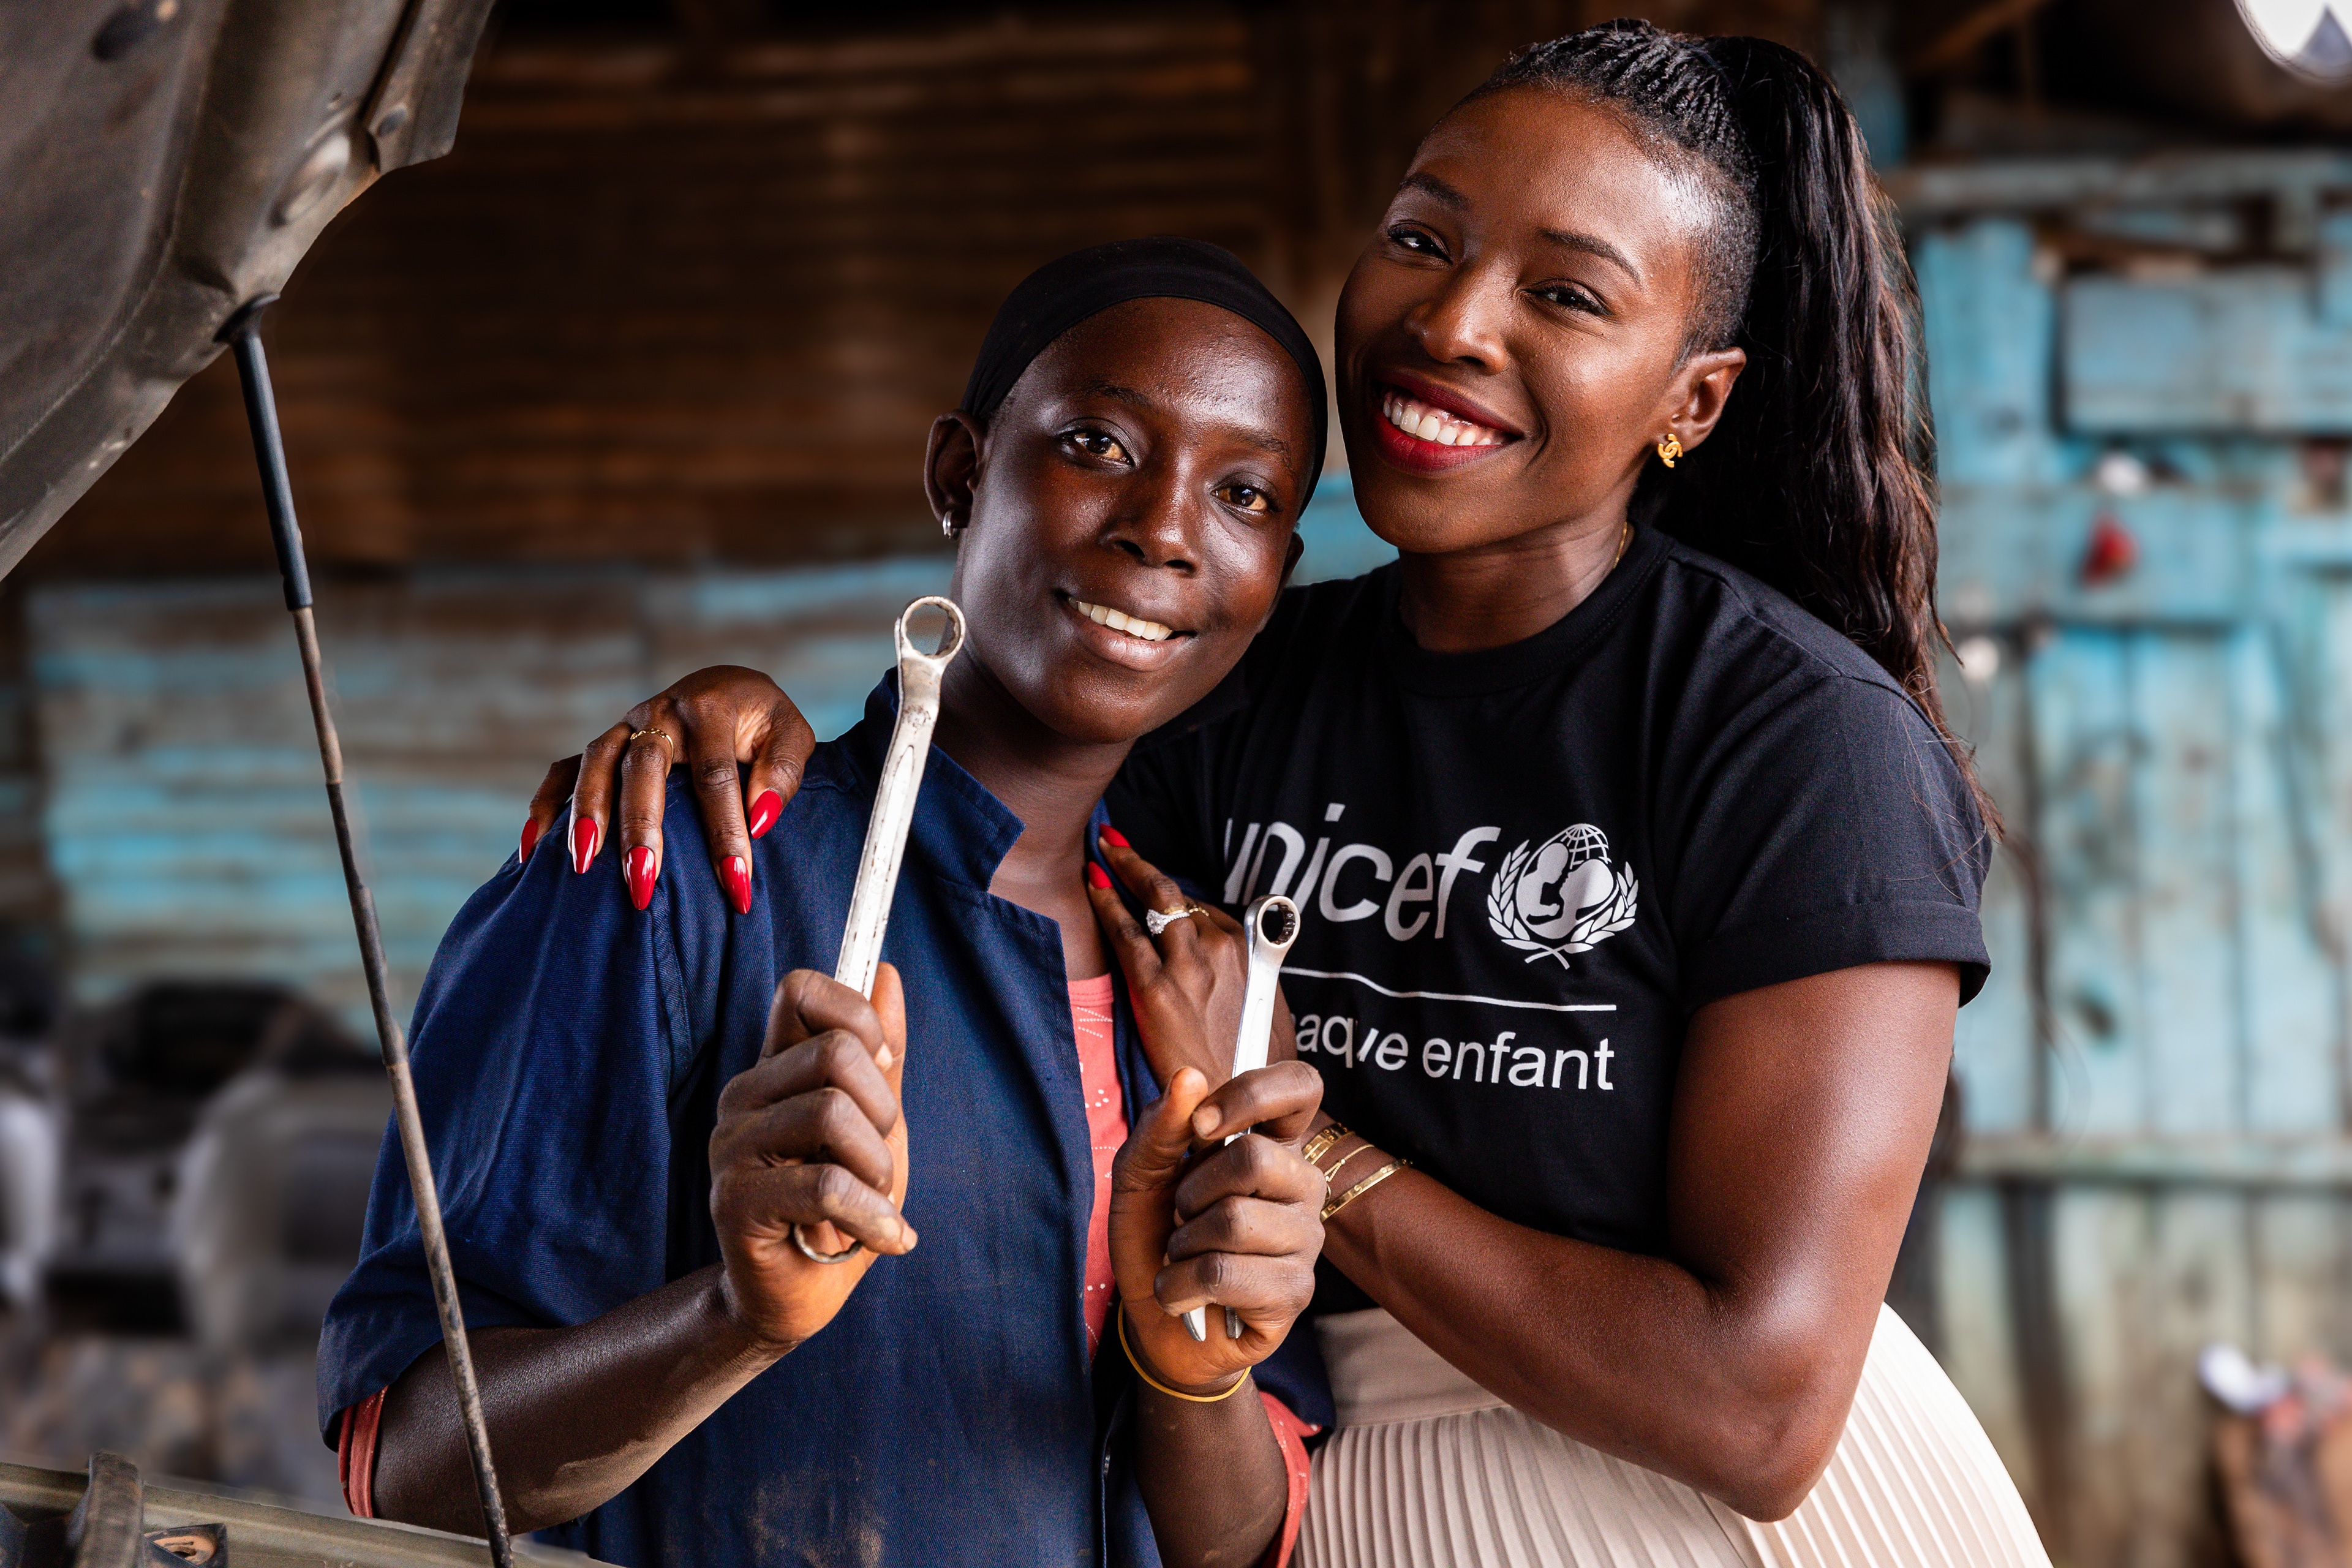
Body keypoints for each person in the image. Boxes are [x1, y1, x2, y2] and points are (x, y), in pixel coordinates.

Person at [533, 23, 2052, 1567]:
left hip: (1717, 1518)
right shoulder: (1232, 689)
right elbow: (985, 791)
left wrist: (1302, 1137)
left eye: (1565, 294)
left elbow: (1758, 1409)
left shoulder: (1795, 741)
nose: (1451, 321)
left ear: (1695, 399)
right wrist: (745, 717)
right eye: (1422, 239)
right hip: (1349, 1494)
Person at [318, 238, 1344, 1568]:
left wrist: (1190, 1371)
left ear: (1278, 570)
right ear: (961, 473)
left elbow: (1241, 1541)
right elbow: (406, 1465)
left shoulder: (1221, 1002)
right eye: (1097, 444)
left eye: (1244, 492)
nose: (1164, 526)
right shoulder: (685, 859)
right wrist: (733, 1320)